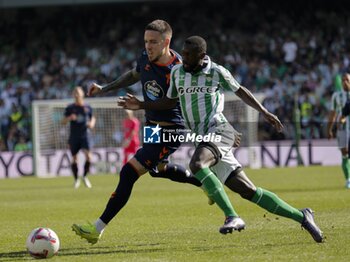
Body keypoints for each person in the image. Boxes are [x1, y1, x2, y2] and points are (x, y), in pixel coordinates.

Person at [120, 35, 324, 243]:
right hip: (203, 138)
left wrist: (264, 112)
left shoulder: (216, 72)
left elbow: (241, 91)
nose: (185, 59)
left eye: (189, 55)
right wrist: (141, 104)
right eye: (184, 53)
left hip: (220, 130)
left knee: (197, 164)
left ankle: (232, 216)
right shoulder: (177, 72)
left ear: (202, 56)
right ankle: (303, 216)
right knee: (248, 191)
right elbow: (169, 101)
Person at [72, 20, 240, 244]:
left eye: (153, 42)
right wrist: (106, 87)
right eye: (146, 41)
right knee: (158, 170)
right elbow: (135, 74)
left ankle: (97, 228)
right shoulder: (145, 57)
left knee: (128, 172)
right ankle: (207, 184)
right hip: (152, 126)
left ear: (166, 42)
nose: (148, 46)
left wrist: (140, 104)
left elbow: (171, 103)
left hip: (172, 129)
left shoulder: (181, 68)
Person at [62, 86, 96, 189]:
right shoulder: (70, 108)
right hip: (74, 136)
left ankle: (85, 176)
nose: (76, 94)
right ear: (73, 95)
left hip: (85, 135)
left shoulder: (88, 107)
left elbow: (93, 117)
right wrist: (69, 118)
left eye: (78, 92)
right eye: (75, 92)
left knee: (89, 157)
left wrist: (92, 124)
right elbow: (63, 122)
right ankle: (76, 179)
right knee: (74, 159)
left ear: (82, 94)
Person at [333, 72, 350, 188]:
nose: (345, 82)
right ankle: (348, 179)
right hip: (343, 129)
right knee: (344, 153)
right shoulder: (337, 96)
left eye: (347, 80)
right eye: (343, 80)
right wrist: (330, 128)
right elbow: (334, 113)